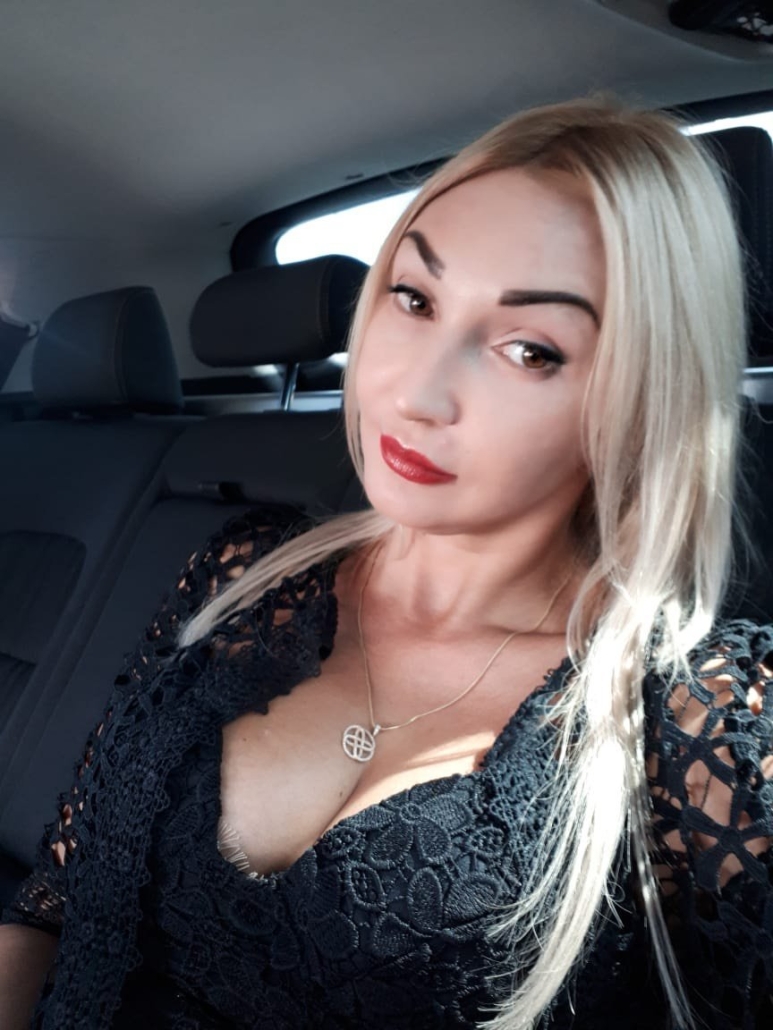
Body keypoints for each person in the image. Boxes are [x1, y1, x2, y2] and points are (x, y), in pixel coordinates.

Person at [1, 96, 771, 1030]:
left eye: (530, 350)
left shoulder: (697, 720)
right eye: (413, 299)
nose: (416, 392)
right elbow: (60, 898)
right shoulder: (249, 573)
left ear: (641, 397)